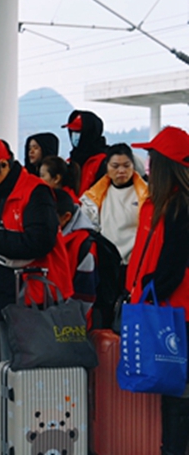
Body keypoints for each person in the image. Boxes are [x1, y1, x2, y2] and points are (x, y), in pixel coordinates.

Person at [0, 134, 73, 447]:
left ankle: (29, 439)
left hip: (35, 300)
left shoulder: (36, 193)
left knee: (26, 373)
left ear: (4, 164)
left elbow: (40, 242)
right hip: (2, 295)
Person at [126, 127, 189, 455]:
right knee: (172, 388)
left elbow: (173, 269)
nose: (147, 165)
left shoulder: (181, 207)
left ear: (166, 165)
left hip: (176, 314)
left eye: (152, 159)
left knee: (177, 391)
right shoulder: (160, 203)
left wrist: (145, 293)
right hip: (165, 309)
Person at [80, 143, 148, 266]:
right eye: (115, 166)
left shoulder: (148, 195)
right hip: (107, 263)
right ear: (107, 166)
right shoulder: (93, 197)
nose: (121, 171)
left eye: (126, 166)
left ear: (134, 166)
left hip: (137, 262)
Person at [55, 189, 100, 302]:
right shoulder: (45, 236)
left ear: (66, 217)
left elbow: (86, 297)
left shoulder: (84, 245)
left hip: (70, 315)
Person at [63, 110, 107, 196]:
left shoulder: (103, 161)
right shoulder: (70, 161)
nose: (74, 135)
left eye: (78, 132)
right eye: (72, 131)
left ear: (90, 133)